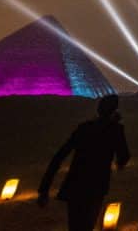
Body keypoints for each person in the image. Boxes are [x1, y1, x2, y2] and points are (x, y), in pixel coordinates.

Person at [38, 94, 130, 231]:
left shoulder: (84, 128)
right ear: (114, 110)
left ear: (98, 109)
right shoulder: (115, 130)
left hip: (75, 184)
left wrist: (44, 189)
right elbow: (124, 156)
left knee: (74, 226)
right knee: (87, 226)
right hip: (96, 186)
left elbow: (59, 156)